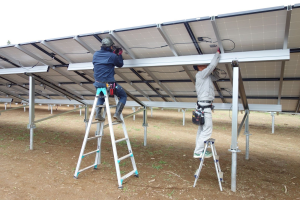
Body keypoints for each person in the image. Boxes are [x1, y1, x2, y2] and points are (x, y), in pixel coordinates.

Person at [193, 49, 221, 158]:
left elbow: (217, 77)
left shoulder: (206, 76)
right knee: (207, 129)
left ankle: (198, 150)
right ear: (199, 66)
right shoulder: (201, 74)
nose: (206, 64)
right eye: (204, 63)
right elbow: (211, 66)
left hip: (202, 106)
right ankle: (198, 151)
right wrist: (217, 54)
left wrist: (215, 69)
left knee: (201, 129)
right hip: (204, 107)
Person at [93, 37, 127, 122]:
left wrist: (113, 54)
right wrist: (119, 55)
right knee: (123, 95)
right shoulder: (112, 56)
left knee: (101, 96)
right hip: (110, 85)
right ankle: (117, 114)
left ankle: (98, 114)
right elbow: (120, 64)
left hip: (97, 83)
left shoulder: (96, 54)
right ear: (111, 47)